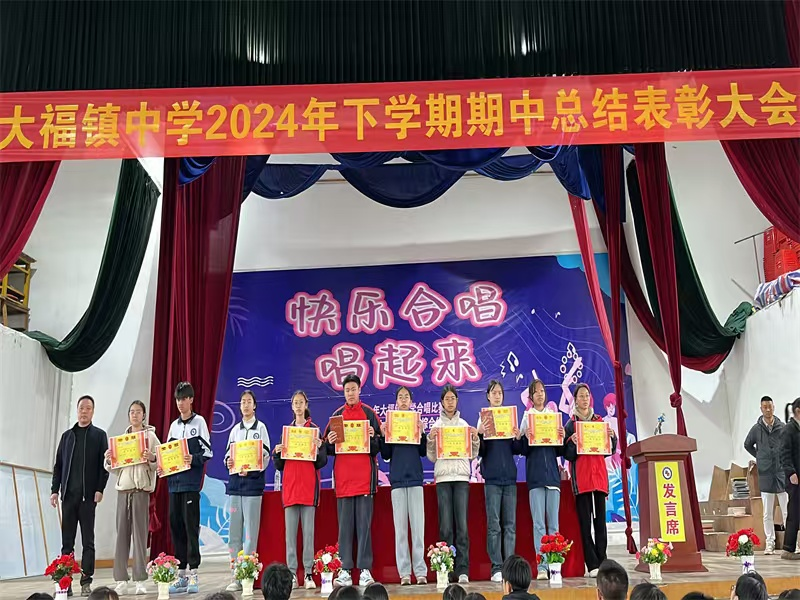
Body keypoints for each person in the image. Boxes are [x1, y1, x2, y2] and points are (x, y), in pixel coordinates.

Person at [324, 374, 382, 588]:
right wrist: (330, 442)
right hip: (344, 482)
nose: (350, 393)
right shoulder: (336, 416)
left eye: (353, 389)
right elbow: (327, 449)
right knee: (345, 528)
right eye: (347, 389)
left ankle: (365, 570)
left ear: (359, 390)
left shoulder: (369, 414)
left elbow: (379, 447)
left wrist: (373, 436)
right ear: (344, 392)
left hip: (365, 480)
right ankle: (345, 569)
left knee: (364, 527)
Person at [50, 395, 109, 597]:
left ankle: (86, 581)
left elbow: (104, 467)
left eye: (88, 408)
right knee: (67, 543)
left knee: (88, 542)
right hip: (68, 497)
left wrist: (100, 489)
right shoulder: (67, 437)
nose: (84, 411)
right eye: (81, 408)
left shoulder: (99, 436)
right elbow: (58, 466)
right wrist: (54, 490)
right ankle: (65, 583)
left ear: (93, 411)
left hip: (88, 499)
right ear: (77, 410)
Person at [160, 381, 213, 594]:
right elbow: (167, 453)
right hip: (174, 485)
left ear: (191, 399)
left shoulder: (199, 422)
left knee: (191, 529)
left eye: (183, 399)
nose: (180, 403)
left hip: (191, 485)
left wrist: (193, 458)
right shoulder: (174, 426)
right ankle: (181, 575)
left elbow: (208, 452)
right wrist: (162, 466)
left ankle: (194, 575)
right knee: (176, 528)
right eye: (177, 399)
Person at [103, 400, 160, 595]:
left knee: (140, 536)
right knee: (121, 535)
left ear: (144, 415)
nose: (135, 415)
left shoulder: (151, 437)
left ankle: (140, 579)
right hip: (123, 491)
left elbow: (160, 463)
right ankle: (121, 579)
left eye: (138, 412)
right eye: (132, 412)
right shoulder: (121, 440)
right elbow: (114, 468)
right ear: (128, 416)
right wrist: (109, 459)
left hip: (141, 491)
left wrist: (152, 458)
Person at [273, 390, 328, 589]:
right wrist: (277, 453)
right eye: (295, 403)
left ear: (306, 405)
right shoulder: (287, 432)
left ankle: (308, 574)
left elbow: (321, 462)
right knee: (290, 536)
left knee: (308, 535)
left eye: (301, 402)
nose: (298, 406)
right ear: (292, 406)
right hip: (290, 489)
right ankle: (292, 574)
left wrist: (320, 447)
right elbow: (280, 465)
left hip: (308, 489)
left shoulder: (314, 430)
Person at [427, 384, 480, 584]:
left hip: (461, 479)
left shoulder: (464, 425)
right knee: (446, 527)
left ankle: (463, 569)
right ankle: (446, 569)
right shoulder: (436, 426)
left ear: (457, 401)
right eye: (446, 399)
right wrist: (431, 440)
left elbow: (472, 454)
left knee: (462, 527)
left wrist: (474, 439)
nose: (450, 402)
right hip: (443, 479)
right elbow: (432, 457)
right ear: (441, 402)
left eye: (453, 398)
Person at [563, 384, 617, 577]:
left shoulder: (599, 421)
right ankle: (592, 564)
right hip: (582, 481)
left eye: (587, 395)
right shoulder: (571, 425)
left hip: (599, 479)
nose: (585, 399)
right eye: (581, 396)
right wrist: (571, 442)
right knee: (585, 525)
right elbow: (567, 455)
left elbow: (608, 451)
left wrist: (612, 438)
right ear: (575, 400)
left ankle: (603, 560)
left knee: (601, 523)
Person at [378, 386, 428, 585]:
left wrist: (422, 433)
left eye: (407, 396)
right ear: (396, 402)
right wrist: (384, 434)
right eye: (401, 397)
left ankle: (420, 571)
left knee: (418, 529)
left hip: (415, 479)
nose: (404, 399)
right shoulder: (392, 423)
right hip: (397, 481)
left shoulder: (415, 423)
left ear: (411, 401)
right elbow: (386, 454)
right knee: (400, 531)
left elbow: (423, 452)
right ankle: (405, 573)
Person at [223, 390, 271, 592]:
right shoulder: (235, 430)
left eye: (249, 401)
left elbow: (265, 456)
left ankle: (248, 576)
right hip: (235, 487)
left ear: (255, 405)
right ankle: (235, 575)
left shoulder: (261, 428)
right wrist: (229, 462)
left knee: (250, 535)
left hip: (253, 487)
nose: (245, 405)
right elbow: (228, 455)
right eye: (243, 402)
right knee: (234, 534)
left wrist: (251, 469)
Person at [518, 379, 564, 581]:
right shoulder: (527, 418)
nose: (539, 394)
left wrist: (561, 436)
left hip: (552, 478)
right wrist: (525, 437)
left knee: (554, 525)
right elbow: (521, 449)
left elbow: (559, 450)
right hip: (535, 478)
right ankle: (542, 566)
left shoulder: (553, 417)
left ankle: (555, 565)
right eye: (536, 391)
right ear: (531, 396)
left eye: (542, 391)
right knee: (539, 525)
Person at [477, 380, 521, 583]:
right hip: (492, 479)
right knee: (494, 526)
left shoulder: (509, 417)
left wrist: (518, 437)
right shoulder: (483, 419)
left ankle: (509, 567)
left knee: (510, 525)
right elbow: (480, 452)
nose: (497, 396)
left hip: (509, 478)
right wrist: (480, 434)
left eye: (500, 393)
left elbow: (517, 450)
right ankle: (496, 567)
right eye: (494, 393)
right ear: (488, 396)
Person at [744, 395, 788, 554]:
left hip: (781, 473)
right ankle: (770, 543)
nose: (768, 409)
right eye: (765, 407)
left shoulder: (782, 427)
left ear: (773, 407)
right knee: (767, 513)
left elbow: (789, 446)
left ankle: (792, 543)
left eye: (770, 406)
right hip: (765, 474)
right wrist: (759, 457)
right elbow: (747, 444)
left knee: (787, 511)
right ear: (761, 409)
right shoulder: (756, 429)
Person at [782, 398, 800, 560]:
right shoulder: (789, 430)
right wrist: (791, 473)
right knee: (794, 513)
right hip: (794, 479)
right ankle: (788, 549)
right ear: (798, 411)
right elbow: (784, 454)